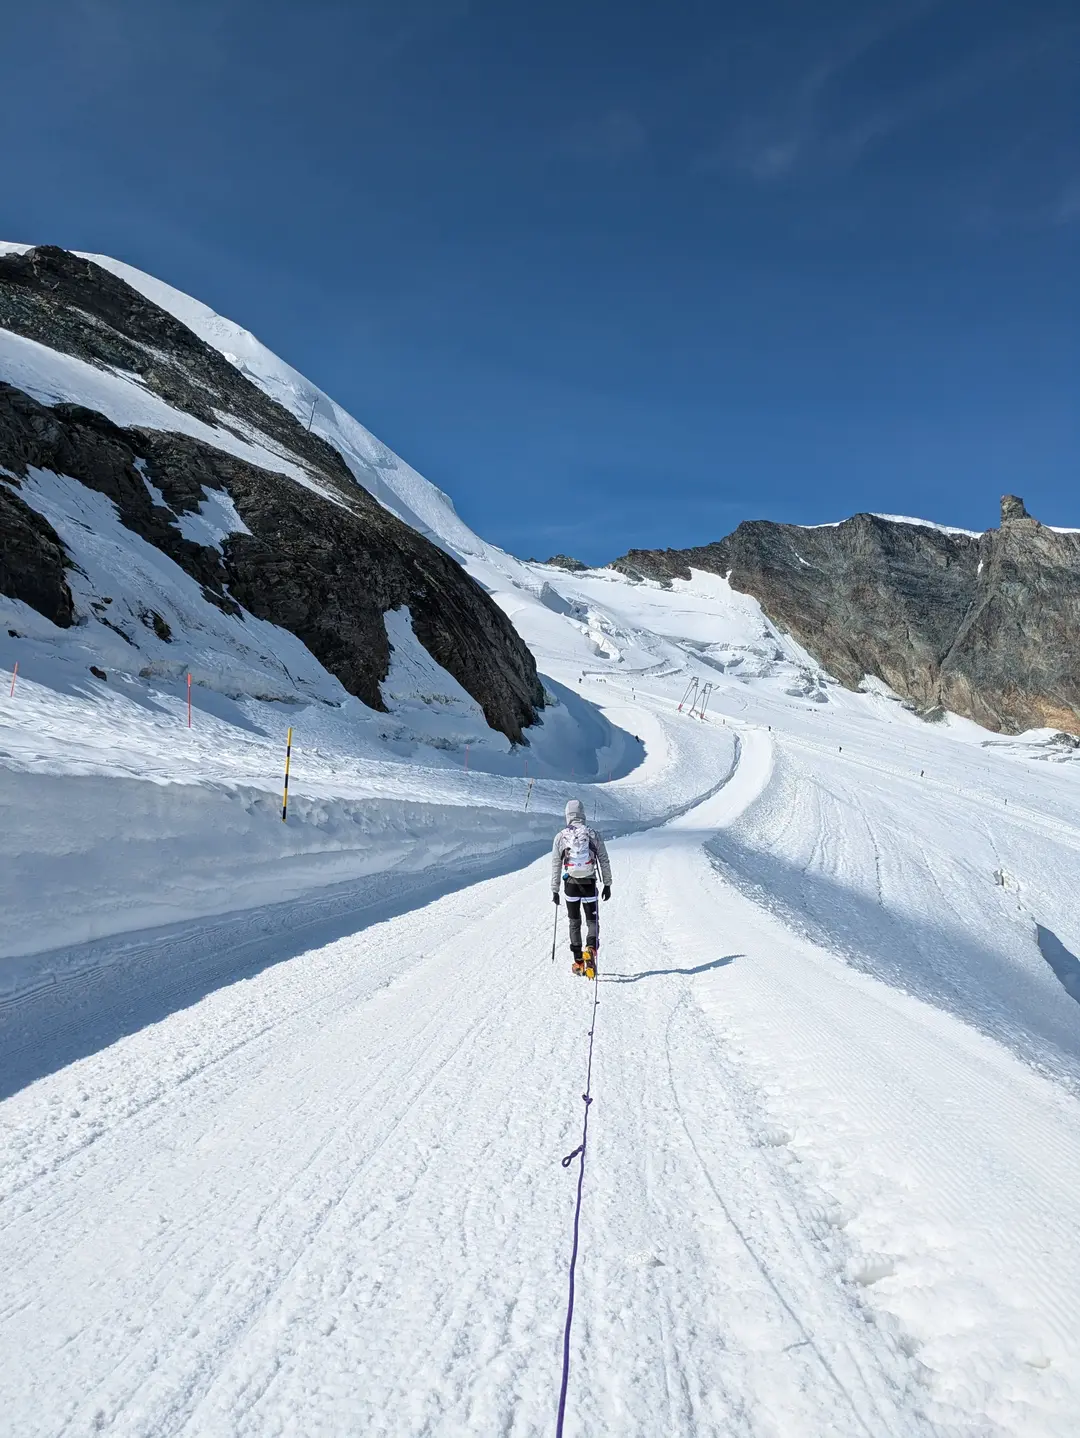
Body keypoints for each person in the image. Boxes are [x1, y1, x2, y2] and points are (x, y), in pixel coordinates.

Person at [551, 798, 612, 977]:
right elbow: (604, 860)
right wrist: (607, 884)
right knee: (592, 921)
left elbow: (556, 863)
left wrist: (554, 889)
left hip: (570, 886)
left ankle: (578, 961)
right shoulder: (593, 834)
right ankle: (591, 950)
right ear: (583, 814)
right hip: (589, 883)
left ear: (567, 815)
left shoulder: (561, 837)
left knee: (574, 922)